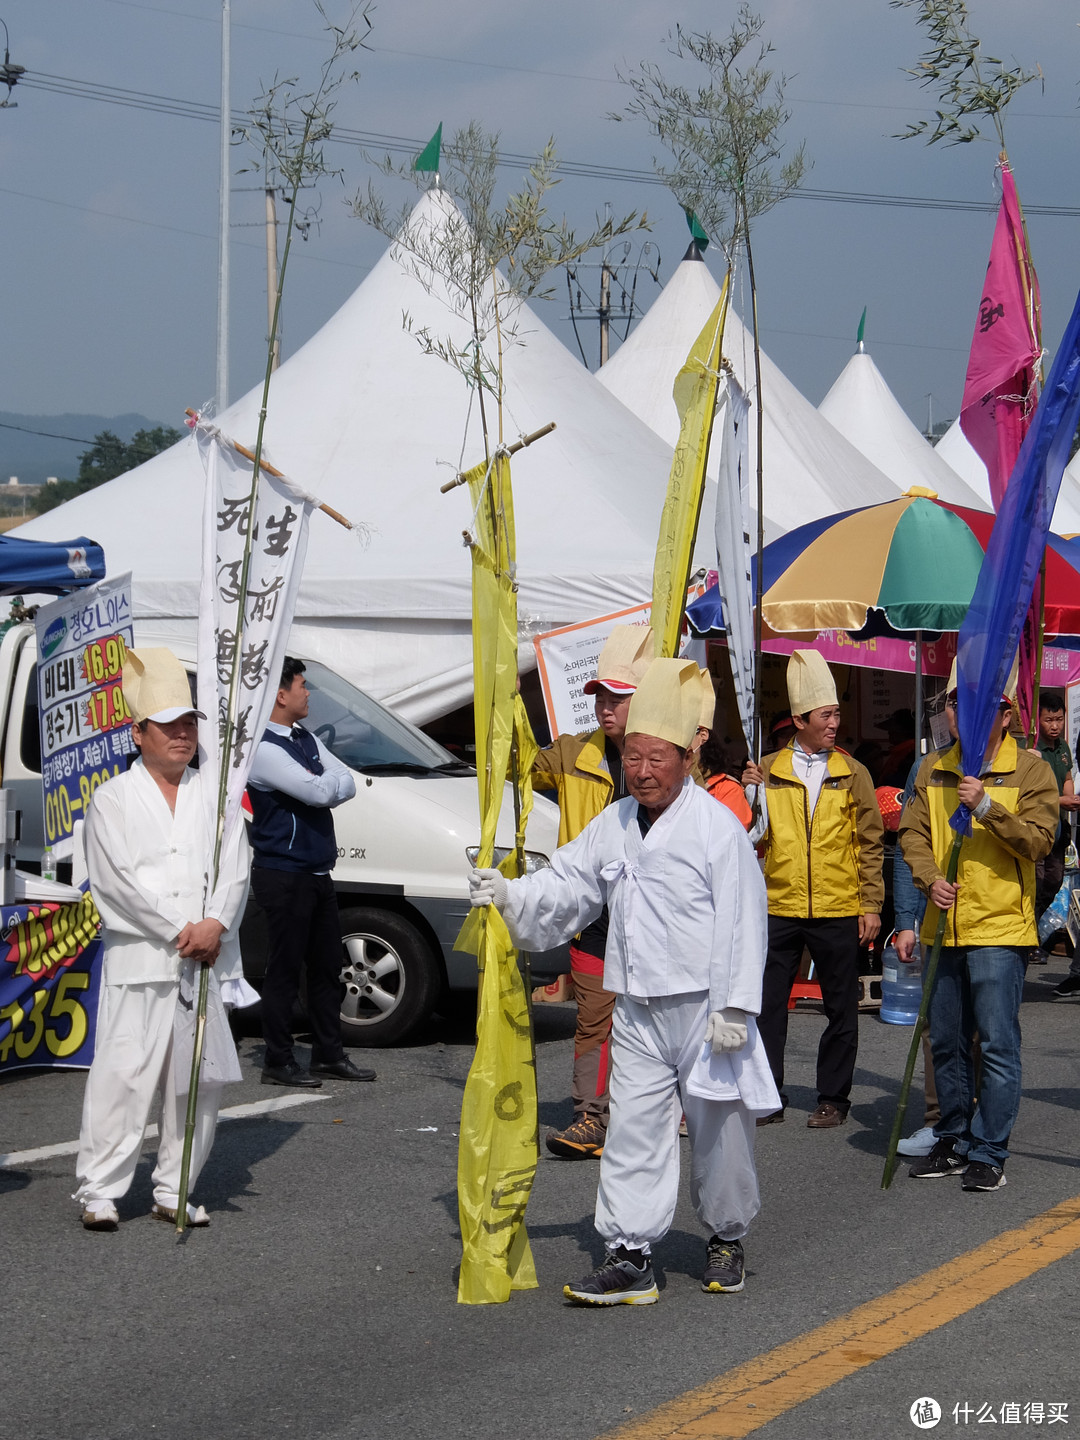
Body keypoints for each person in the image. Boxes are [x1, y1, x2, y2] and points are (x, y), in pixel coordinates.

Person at [471, 659, 777, 1305]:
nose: (641, 770)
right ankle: (631, 1253)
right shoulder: (614, 822)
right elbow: (567, 885)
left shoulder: (717, 830)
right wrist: (507, 893)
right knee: (633, 1129)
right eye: (632, 756)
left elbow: (746, 922)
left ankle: (725, 1236)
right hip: (635, 1007)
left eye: (655, 757)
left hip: (705, 1009)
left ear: (685, 757)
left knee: (720, 1131)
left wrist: (737, 1009)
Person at [74, 648, 251, 1231]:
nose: (181, 735)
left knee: (196, 1082)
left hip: (204, 959)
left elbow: (236, 868)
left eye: (188, 724)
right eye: (168, 725)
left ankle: (175, 1188)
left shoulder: (217, 794)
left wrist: (216, 924)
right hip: (143, 957)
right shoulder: (113, 798)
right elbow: (115, 883)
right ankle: (100, 1189)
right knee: (123, 1074)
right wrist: (179, 930)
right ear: (138, 732)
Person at [899, 670, 1057, 1190]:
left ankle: (989, 1149)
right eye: (956, 707)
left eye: (978, 708)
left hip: (999, 927)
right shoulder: (932, 767)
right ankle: (954, 1136)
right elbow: (912, 835)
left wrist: (988, 808)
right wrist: (930, 880)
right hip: (943, 924)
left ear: (1006, 716)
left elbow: (1039, 843)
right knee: (944, 1039)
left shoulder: (1031, 771)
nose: (961, 718)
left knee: (995, 1043)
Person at [744, 650, 883, 1128]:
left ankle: (833, 1098)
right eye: (826, 715)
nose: (835, 723)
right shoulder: (765, 771)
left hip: (839, 905)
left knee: (841, 1007)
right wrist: (749, 799)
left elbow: (870, 841)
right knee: (766, 1007)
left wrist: (871, 904)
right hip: (777, 905)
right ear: (799, 719)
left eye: (837, 713)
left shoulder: (853, 772)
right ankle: (767, 1094)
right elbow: (750, 838)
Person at [531, 624, 656, 1158]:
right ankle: (590, 1116)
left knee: (656, 1022)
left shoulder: (667, 760)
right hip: (595, 919)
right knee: (593, 1022)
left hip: (654, 920)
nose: (606, 708)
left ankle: (657, 1108)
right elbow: (519, 770)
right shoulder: (570, 754)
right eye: (601, 697)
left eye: (618, 698)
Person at [248, 657, 375, 1087]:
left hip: (317, 871)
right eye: (302, 684)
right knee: (284, 970)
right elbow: (319, 790)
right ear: (280, 694)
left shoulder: (302, 736)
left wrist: (326, 784)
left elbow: (345, 780)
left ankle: (328, 1053)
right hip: (282, 873)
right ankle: (278, 1060)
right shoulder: (262, 748)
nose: (307, 693)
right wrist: (325, 784)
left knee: (326, 968)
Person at [1030, 691, 1080, 972]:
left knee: (1054, 881)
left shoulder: (1062, 748)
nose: (1055, 725)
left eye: (1059, 719)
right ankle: (1030, 938)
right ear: (1039, 720)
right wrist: (1062, 800)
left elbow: (1068, 778)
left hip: (1060, 826)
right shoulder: (1033, 749)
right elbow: (1032, 795)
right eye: (1049, 720)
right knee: (1036, 882)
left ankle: (1033, 927)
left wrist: (1069, 798)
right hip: (1038, 827)